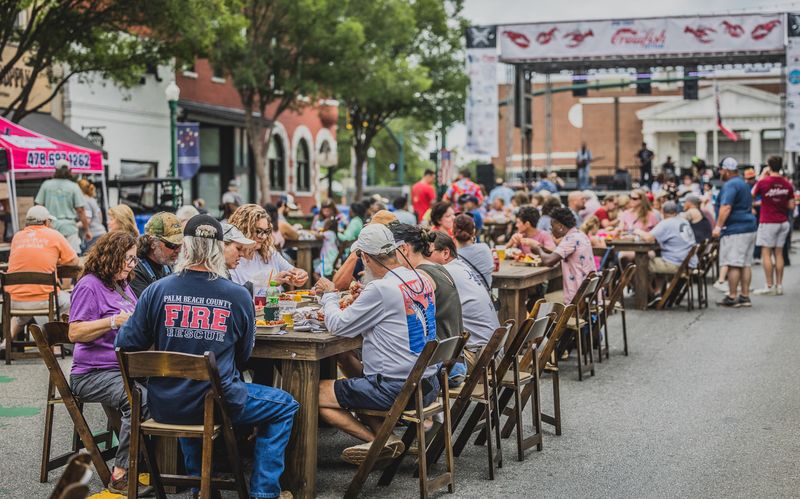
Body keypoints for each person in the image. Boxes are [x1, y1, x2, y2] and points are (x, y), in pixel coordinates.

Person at [116, 215, 298, 499]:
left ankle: (201, 487)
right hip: (219, 401)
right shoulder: (237, 296)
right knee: (284, 405)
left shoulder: (156, 291)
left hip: (164, 403)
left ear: (185, 248)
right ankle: (264, 493)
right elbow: (243, 356)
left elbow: (126, 344)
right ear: (217, 249)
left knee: (191, 391)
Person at [313, 224, 438, 465]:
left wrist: (329, 294)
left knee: (311, 392)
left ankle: (381, 442)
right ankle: (386, 438)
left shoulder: (381, 288)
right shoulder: (419, 277)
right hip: (427, 382)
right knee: (354, 376)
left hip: (397, 388)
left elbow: (338, 325)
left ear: (366, 258)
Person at [67, 231, 150, 495]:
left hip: (123, 367)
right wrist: (112, 322)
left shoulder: (121, 284)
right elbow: (75, 332)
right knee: (138, 398)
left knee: (169, 386)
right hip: (92, 373)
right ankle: (121, 474)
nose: (131, 265)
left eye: (135, 260)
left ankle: (159, 463)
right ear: (110, 256)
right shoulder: (89, 285)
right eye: (127, 259)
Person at [4, 206, 77, 350]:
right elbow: (73, 261)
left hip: (14, 301)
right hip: (44, 300)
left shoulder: (17, 237)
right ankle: (58, 343)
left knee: (27, 301)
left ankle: (5, 342)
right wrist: (55, 259)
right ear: (46, 222)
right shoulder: (53, 235)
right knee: (71, 301)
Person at [428, 231, 500, 373]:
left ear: (445, 253)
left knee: (419, 364)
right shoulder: (461, 266)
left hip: (480, 358)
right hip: (494, 351)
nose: (422, 258)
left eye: (426, 253)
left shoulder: (444, 272)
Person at [391, 223, 463, 341]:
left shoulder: (419, 277)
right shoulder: (437, 268)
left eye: (392, 251)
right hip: (453, 348)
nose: (390, 257)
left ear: (404, 249)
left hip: (438, 354)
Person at [229, 204, 308, 296]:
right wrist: (270, 282)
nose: (263, 236)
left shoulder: (268, 252)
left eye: (266, 231)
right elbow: (235, 296)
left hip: (277, 307)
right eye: (258, 231)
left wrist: (300, 275)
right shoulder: (231, 259)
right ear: (244, 229)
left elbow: (293, 270)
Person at [525, 207, 596, 305]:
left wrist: (538, 249)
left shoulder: (570, 240)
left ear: (560, 227)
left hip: (575, 296)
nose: (551, 231)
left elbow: (549, 261)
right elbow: (558, 254)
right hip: (585, 292)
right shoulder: (579, 235)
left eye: (552, 227)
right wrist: (541, 248)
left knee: (535, 301)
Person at [713, 157, 757, 308]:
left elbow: (726, 207)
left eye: (720, 169)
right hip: (748, 227)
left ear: (726, 170)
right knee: (745, 263)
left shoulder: (730, 185)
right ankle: (744, 296)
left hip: (736, 229)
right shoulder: (743, 184)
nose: (719, 172)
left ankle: (732, 297)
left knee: (733, 263)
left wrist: (718, 227)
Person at [636, 201, 697, 302]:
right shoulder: (683, 221)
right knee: (658, 259)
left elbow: (648, 237)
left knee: (640, 264)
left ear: (662, 212)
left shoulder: (666, 223)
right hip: (688, 262)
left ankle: (649, 296)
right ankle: (657, 292)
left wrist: (637, 231)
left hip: (676, 263)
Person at [751, 156, 795, 296]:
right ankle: (779, 286)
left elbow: (751, 195)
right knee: (779, 253)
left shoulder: (764, 182)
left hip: (768, 222)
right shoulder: (787, 184)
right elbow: (791, 205)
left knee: (766, 253)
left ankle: (769, 286)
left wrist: (761, 176)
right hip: (783, 222)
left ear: (769, 166)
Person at [34, 160, 90, 252]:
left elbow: (38, 207)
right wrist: (87, 229)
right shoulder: (73, 186)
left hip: (51, 228)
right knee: (71, 260)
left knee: (53, 257)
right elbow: (80, 210)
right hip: (69, 228)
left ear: (55, 170)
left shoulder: (46, 185)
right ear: (69, 171)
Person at [129, 212, 184, 297]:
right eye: (172, 245)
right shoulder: (136, 270)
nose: (178, 250)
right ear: (153, 242)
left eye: (181, 244)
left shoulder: (168, 263)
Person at [453, 214, 494, 286]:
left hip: (462, 297)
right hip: (484, 296)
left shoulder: (452, 257)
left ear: (453, 232)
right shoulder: (485, 249)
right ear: (473, 231)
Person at [77, 179, 106, 252]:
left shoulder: (84, 201)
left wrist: (73, 225)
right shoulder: (92, 199)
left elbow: (87, 220)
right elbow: (100, 216)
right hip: (101, 232)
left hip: (93, 236)